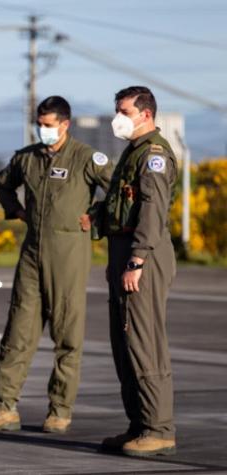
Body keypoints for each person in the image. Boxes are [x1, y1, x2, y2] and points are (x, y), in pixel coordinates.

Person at [0, 96, 114, 434]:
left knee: (67, 332)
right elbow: (3, 184)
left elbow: (118, 190)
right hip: (33, 250)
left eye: (49, 124)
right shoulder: (27, 158)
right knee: (18, 329)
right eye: (40, 123)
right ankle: (4, 406)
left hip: (69, 250)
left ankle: (60, 409)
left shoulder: (85, 157)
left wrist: (95, 216)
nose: (43, 130)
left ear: (65, 124)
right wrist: (18, 210)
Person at [98, 86, 177, 457]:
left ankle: (159, 428)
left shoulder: (154, 155)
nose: (118, 118)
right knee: (124, 344)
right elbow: (122, 206)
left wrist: (137, 260)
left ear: (145, 114)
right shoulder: (132, 153)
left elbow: (151, 211)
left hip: (141, 254)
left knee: (144, 343)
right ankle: (139, 424)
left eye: (124, 111)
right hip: (123, 252)